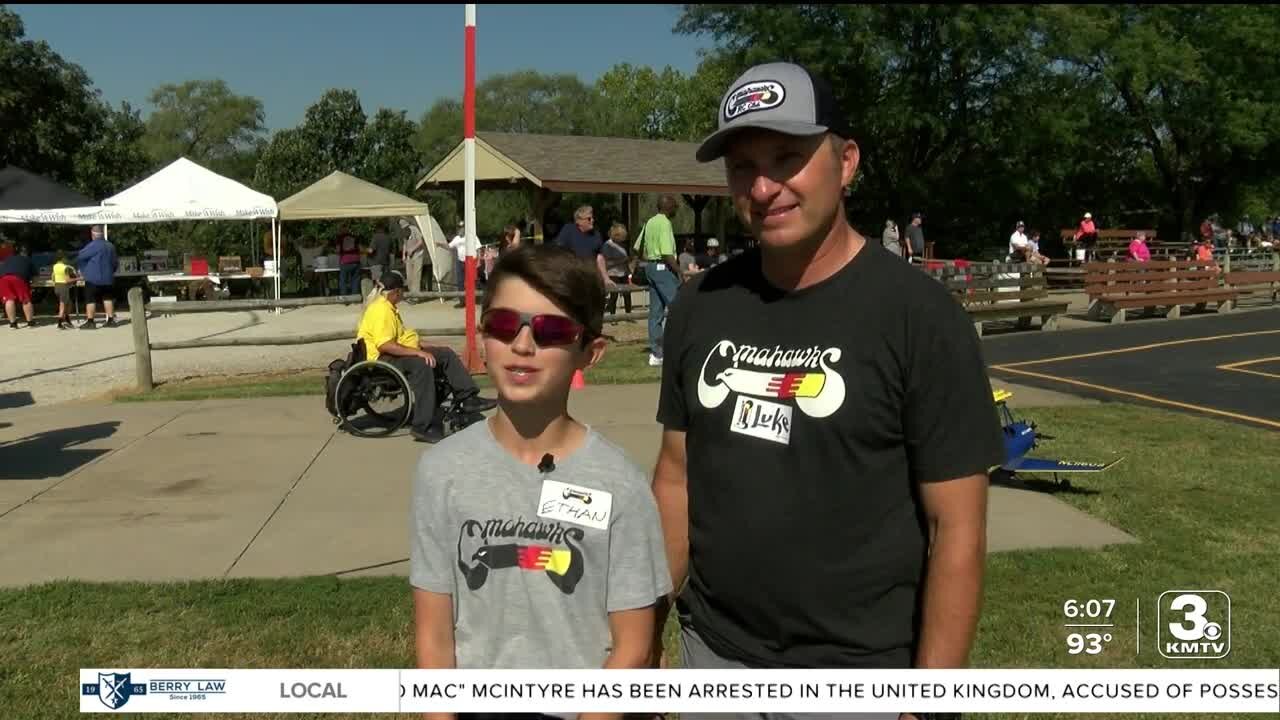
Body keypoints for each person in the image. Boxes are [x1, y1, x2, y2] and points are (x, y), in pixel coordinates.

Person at [654, 61, 1004, 720]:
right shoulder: (702, 305)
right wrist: (643, 628)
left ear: (846, 162)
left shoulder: (920, 316)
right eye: (742, 166)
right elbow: (675, 479)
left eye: (788, 157)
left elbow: (957, 528)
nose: (763, 186)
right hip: (713, 658)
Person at [409, 244, 671, 701]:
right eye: (504, 325)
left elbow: (633, 647)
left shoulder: (620, 484)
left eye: (551, 331)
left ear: (590, 352)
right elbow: (434, 638)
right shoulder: (442, 472)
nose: (523, 345)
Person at [355, 271, 496, 443]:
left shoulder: (389, 308)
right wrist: (418, 352)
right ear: (396, 292)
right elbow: (385, 345)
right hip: (381, 362)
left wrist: (429, 346)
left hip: (392, 355)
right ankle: (422, 427)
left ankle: (468, 398)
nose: (403, 295)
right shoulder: (381, 310)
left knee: (445, 354)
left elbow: (403, 339)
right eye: (402, 291)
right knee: (421, 364)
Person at [634, 195, 681, 367]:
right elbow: (667, 253)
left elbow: (637, 247)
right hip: (663, 269)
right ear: (669, 207)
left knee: (656, 314)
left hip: (650, 269)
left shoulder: (650, 222)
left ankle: (656, 354)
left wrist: (650, 261)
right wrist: (679, 271)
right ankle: (679, 347)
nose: (676, 209)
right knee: (679, 307)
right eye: (675, 206)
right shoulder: (664, 223)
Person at [75, 226, 118, 329]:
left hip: (93, 278)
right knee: (108, 298)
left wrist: (83, 269)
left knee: (91, 299)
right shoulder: (110, 246)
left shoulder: (92, 246)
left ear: (92, 234)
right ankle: (111, 320)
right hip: (108, 277)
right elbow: (115, 262)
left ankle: (90, 321)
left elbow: (80, 256)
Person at [0, 244, 37, 329]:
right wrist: (31, 285)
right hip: (18, 278)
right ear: (27, 253)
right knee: (25, 299)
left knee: (9, 299)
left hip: (3, 279)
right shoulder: (28, 260)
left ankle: (13, 324)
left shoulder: (8, 258)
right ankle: (30, 322)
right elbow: (35, 277)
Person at [602, 222, 633, 314]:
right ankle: (612, 315)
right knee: (614, 295)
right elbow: (606, 263)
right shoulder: (607, 245)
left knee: (627, 294)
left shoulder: (622, 245)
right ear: (616, 235)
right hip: (613, 274)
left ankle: (629, 314)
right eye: (622, 237)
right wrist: (622, 261)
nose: (624, 239)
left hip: (623, 273)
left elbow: (625, 259)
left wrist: (629, 270)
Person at [401, 218, 429, 294]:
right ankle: (411, 293)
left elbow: (420, 242)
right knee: (409, 276)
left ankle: (416, 296)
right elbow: (405, 243)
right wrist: (403, 255)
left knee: (416, 276)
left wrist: (412, 249)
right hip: (409, 257)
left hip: (417, 255)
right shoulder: (404, 231)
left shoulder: (414, 229)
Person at [52, 251, 77, 329]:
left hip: (57, 286)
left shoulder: (55, 266)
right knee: (62, 305)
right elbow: (67, 280)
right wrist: (79, 278)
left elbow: (53, 277)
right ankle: (60, 323)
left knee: (68, 303)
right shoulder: (65, 268)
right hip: (63, 287)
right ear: (63, 258)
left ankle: (67, 318)